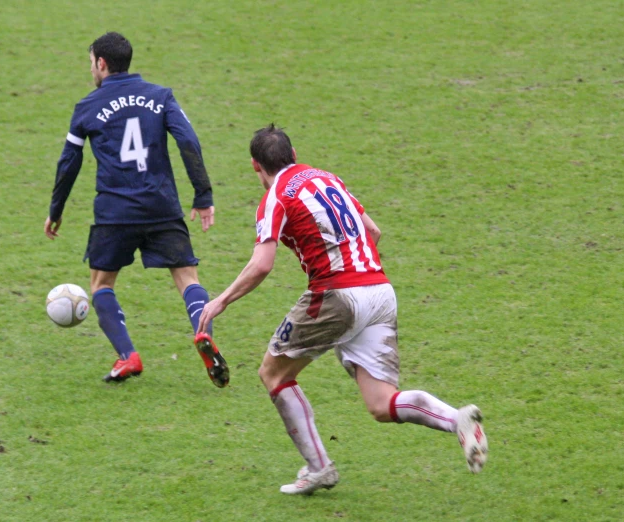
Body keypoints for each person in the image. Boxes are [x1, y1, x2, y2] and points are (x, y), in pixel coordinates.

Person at [197, 124, 488, 494]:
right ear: (294, 153)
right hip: (380, 291)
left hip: (337, 295)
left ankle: (319, 467)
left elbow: (262, 264)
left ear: (256, 166)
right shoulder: (327, 178)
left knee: (273, 374)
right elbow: (374, 232)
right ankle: (457, 419)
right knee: (382, 405)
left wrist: (221, 300)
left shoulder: (275, 198)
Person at [44, 31, 229, 388]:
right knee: (187, 278)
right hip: (161, 204)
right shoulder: (161, 97)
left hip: (115, 211)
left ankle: (128, 355)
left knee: (100, 284)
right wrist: (203, 195)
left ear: (101, 63)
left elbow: (70, 162)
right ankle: (202, 333)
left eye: (91, 62)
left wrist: (56, 208)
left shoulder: (88, 106)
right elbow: (188, 140)